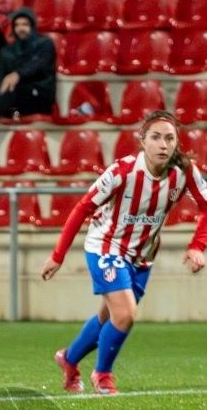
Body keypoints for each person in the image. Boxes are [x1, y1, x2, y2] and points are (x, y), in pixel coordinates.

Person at [41, 111, 207, 395]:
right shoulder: (122, 171)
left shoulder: (185, 172)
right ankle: (103, 375)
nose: (163, 145)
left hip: (142, 256)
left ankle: (68, 358)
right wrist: (58, 255)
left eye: (169, 138)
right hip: (105, 247)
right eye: (156, 137)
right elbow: (83, 207)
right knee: (126, 314)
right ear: (143, 141)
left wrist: (197, 246)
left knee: (110, 317)